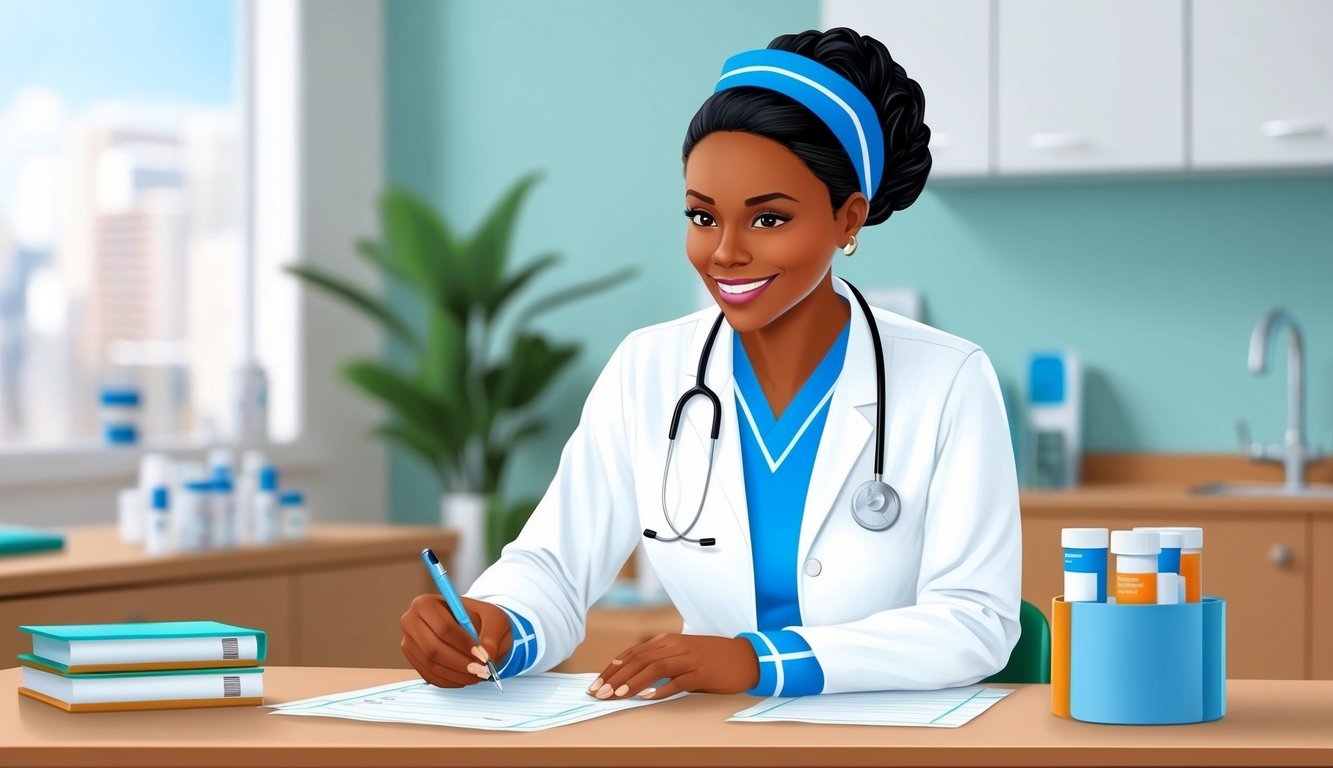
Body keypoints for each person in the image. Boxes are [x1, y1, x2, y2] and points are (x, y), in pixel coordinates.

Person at [399, 26, 1020, 702]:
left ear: (848, 219)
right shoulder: (649, 369)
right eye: (701, 216)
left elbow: (974, 621)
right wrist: (496, 625)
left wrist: (762, 663)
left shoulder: (948, 379)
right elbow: (551, 565)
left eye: (768, 220)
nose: (724, 253)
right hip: (710, 731)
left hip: (887, 731)